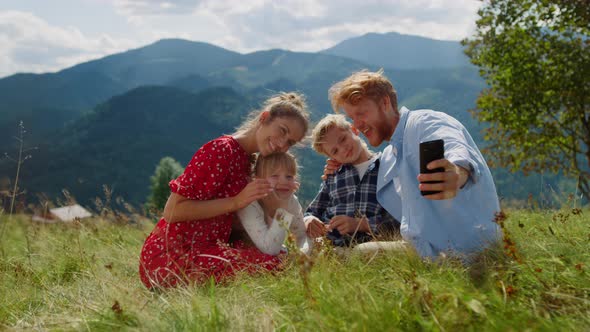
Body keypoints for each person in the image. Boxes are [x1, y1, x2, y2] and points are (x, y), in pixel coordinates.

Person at [139, 92, 310, 289]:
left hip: (209, 247)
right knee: (277, 265)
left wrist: (275, 209)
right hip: (174, 254)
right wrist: (236, 202)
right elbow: (171, 212)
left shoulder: (247, 160)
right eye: (282, 131)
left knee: (288, 258)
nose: (282, 144)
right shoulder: (221, 151)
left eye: (290, 142)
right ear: (264, 118)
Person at [326, 70, 501, 258]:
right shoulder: (388, 157)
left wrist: (457, 173)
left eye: (361, 114)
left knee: (358, 255)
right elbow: (367, 170)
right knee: (357, 254)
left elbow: (455, 146)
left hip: (467, 251)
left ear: (385, 103)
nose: (357, 125)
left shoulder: (425, 122)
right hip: (426, 251)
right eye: (352, 118)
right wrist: (341, 166)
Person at [304, 114, 399, 247]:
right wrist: (309, 220)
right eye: (335, 151)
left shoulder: (386, 167)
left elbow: (399, 219)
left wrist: (360, 224)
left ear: (354, 130)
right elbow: (312, 211)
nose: (343, 149)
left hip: (369, 245)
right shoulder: (332, 176)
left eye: (343, 139)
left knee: (365, 250)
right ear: (332, 157)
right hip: (331, 245)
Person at [236, 152, 310, 255]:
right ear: (257, 180)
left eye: (289, 176)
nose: (284, 181)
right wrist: (282, 210)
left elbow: (301, 234)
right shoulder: (250, 204)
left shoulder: (291, 201)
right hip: (244, 250)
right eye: (274, 176)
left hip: (272, 248)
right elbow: (270, 249)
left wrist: (302, 254)